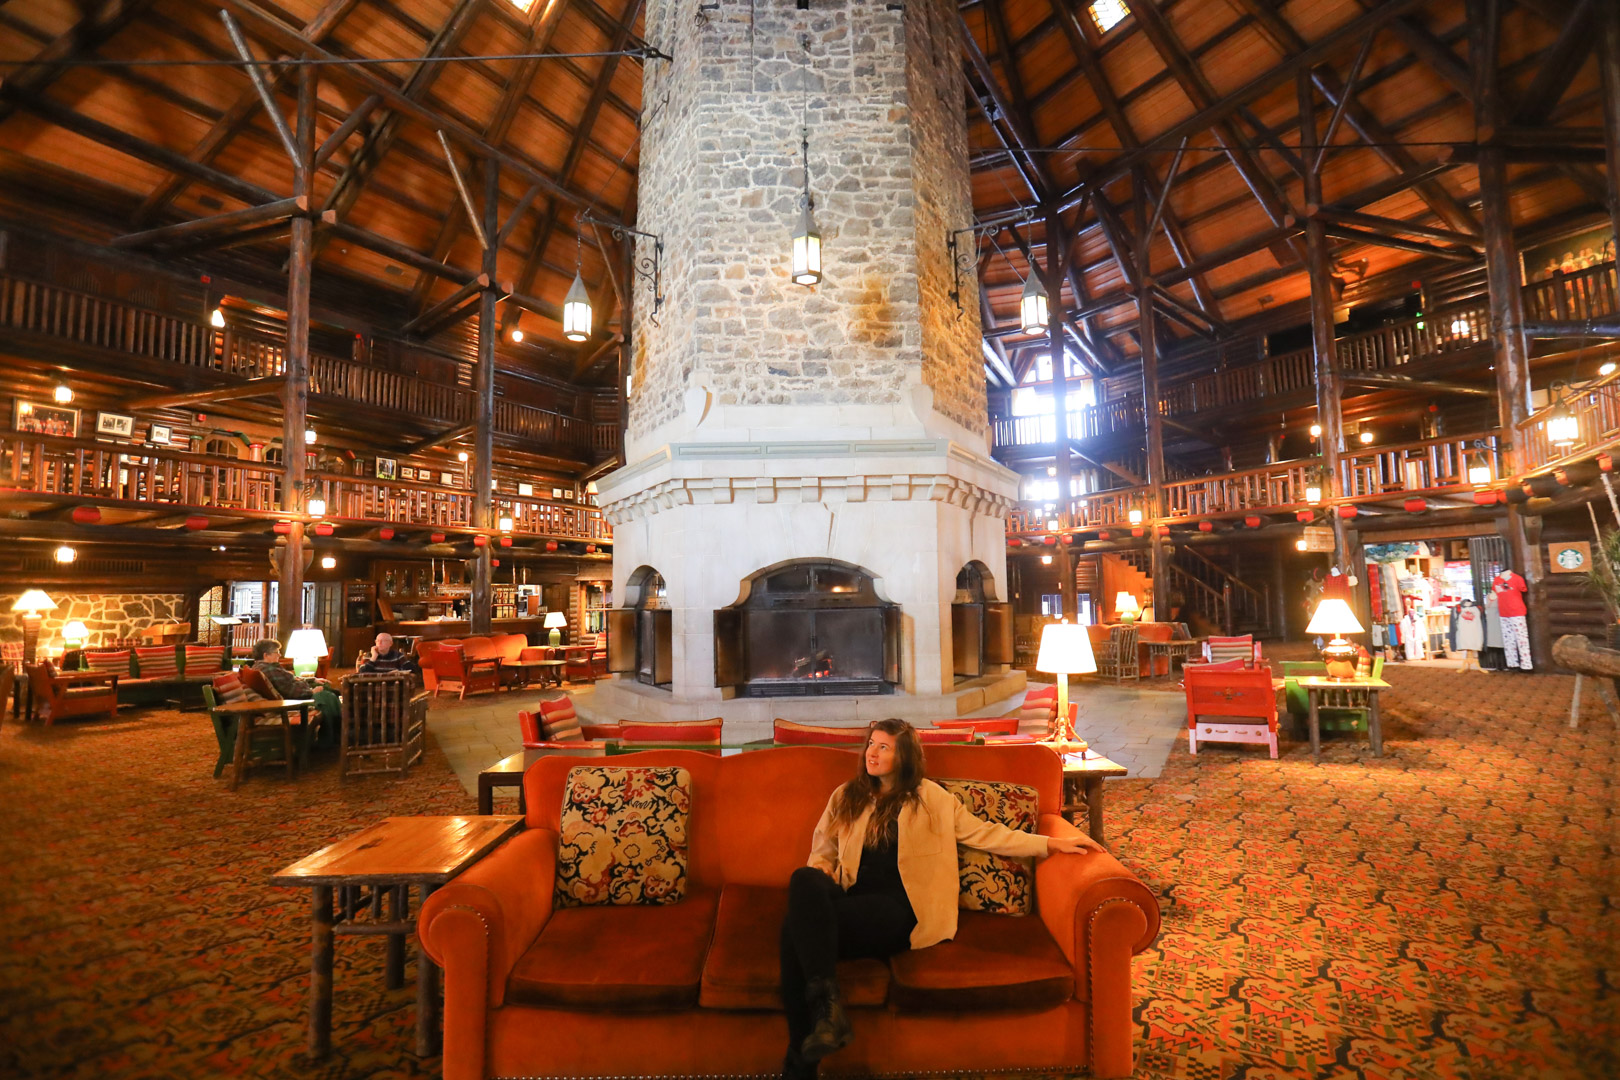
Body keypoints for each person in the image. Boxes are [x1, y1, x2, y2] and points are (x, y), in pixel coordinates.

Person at [778, 719, 1102, 1078]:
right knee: (803, 878)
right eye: (871, 744)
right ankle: (825, 1017)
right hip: (850, 899)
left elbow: (986, 834)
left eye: (884, 747)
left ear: (904, 757)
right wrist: (823, 871)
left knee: (794, 934)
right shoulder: (846, 795)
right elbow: (822, 851)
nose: (872, 752)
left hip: (900, 909)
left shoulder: (931, 799)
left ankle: (802, 1062)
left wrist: (1051, 843)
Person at [249, 639, 342, 728]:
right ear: (266, 655)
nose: (279, 654)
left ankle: (339, 728)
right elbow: (289, 691)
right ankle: (334, 735)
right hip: (297, 700)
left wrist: (311, 680)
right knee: (327, 697)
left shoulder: (264, 667)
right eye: (276, 652)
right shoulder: (269, 670)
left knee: (329, 690)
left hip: (301, 693)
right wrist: (312, 691)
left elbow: (291, 680)